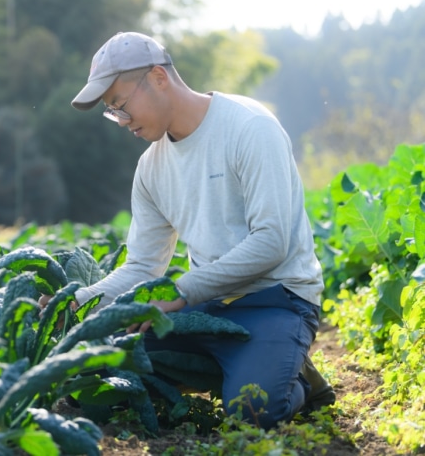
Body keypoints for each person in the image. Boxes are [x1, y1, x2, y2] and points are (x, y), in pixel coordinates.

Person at [64, 31, 335, 428]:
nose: (121, 122)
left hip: (276, 300)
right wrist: (77, 303)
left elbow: (272, 242)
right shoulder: (151, 168)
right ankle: (246, 362)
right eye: (113, 112)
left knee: (251, 412)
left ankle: (294, 377)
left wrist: (182, 292)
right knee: (104, 377)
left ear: (158, 77)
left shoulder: (249, 128)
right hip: (206, 307)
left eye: (120, 105)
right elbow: (142, 267)